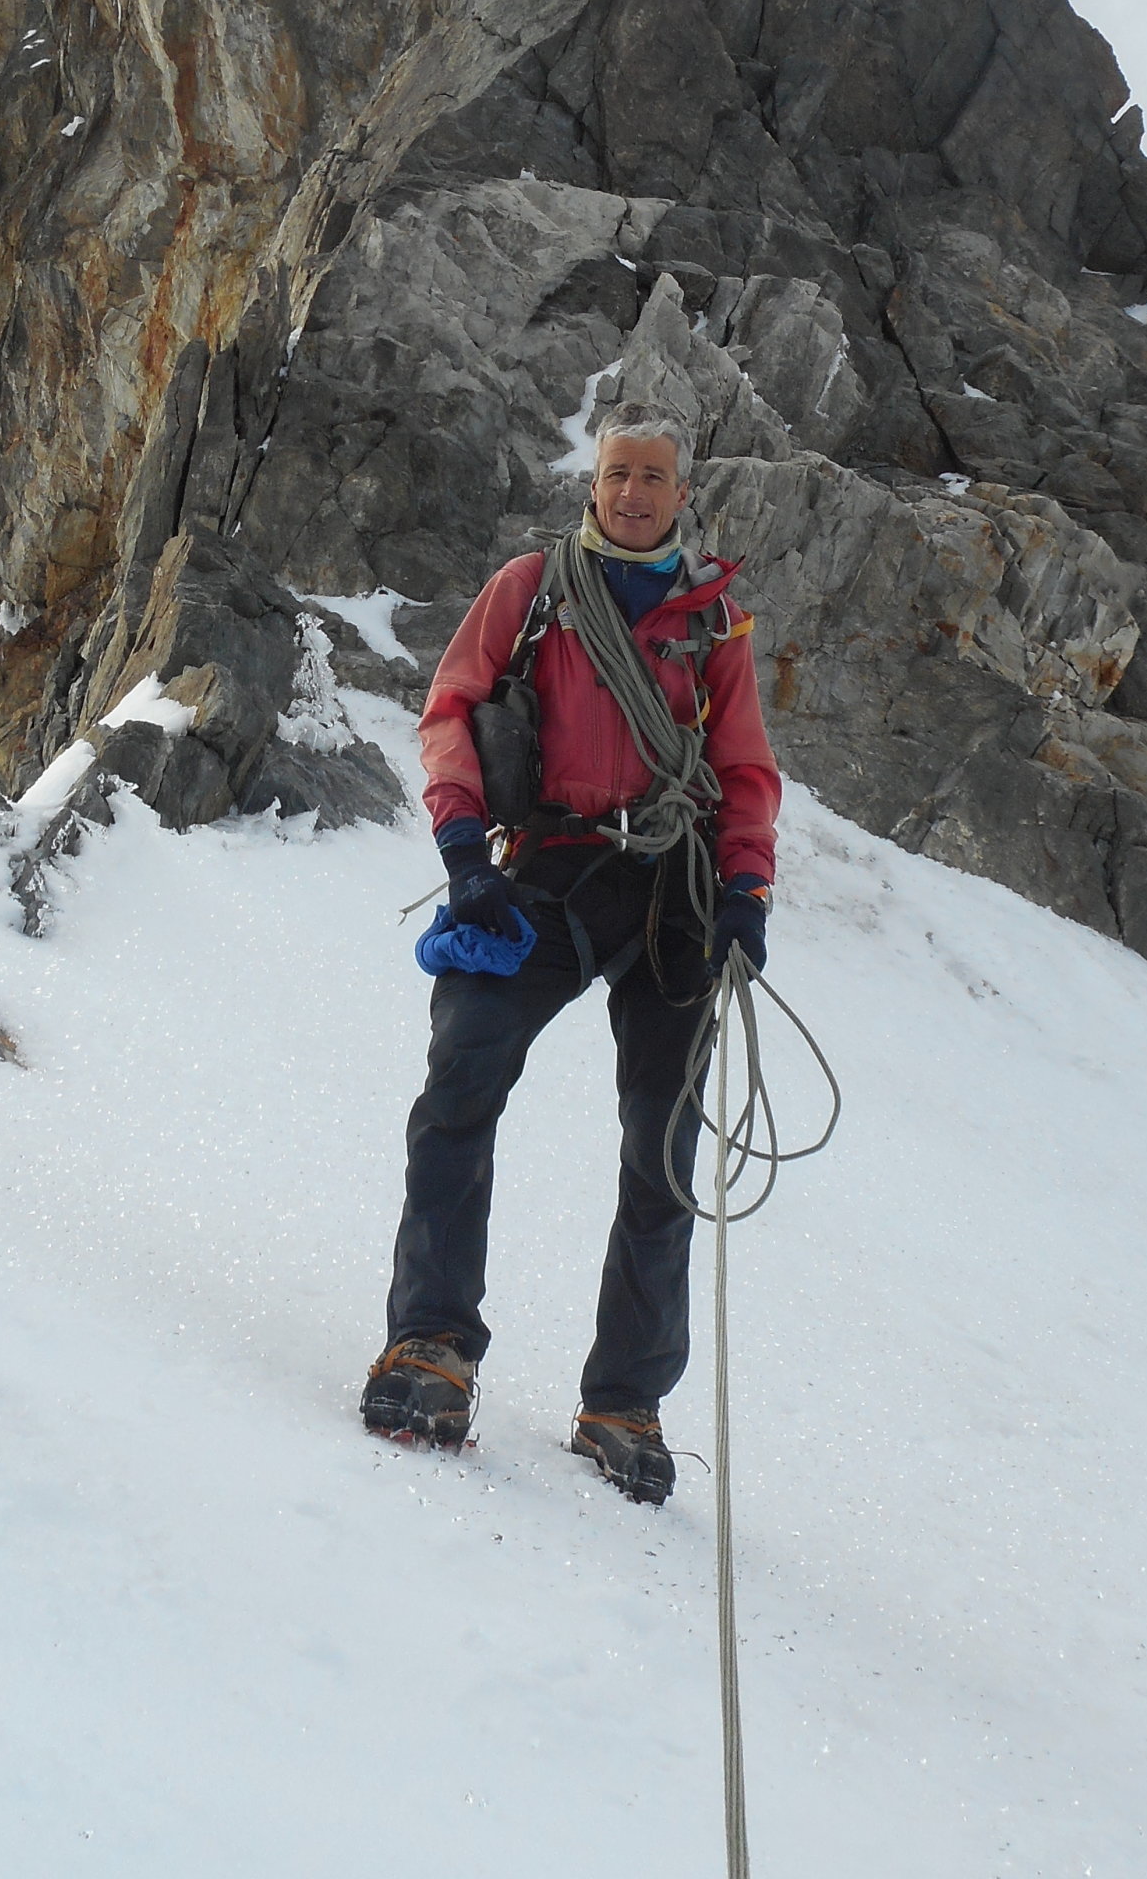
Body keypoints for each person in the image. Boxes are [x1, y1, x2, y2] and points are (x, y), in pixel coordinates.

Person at [361, 402, 782, 1503]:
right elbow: (451, 712)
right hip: (546, 870)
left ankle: (625, 1402)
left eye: (653, 477)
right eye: (617, 474)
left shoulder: (715, 623)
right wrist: (464, 852)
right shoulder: (532, 589)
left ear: (682, 494)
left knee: (665, 1148)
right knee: (464, 1070)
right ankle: (430, 1341)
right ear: (593, 485)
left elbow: (744, 769)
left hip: (674, 891)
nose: (633, 493)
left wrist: (747, 889)